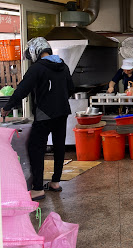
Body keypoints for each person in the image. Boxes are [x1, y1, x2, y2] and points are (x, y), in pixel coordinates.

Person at [1, 37, 73, 201]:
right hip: (62, 111)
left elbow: (22, 89)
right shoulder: (62, 66)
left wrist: (7, 107)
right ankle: (55, 182)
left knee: (36, 148)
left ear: (35, 51)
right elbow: (71, 88)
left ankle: (38, 188)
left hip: (44, 114)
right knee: (59, 146)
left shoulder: (38, 68)